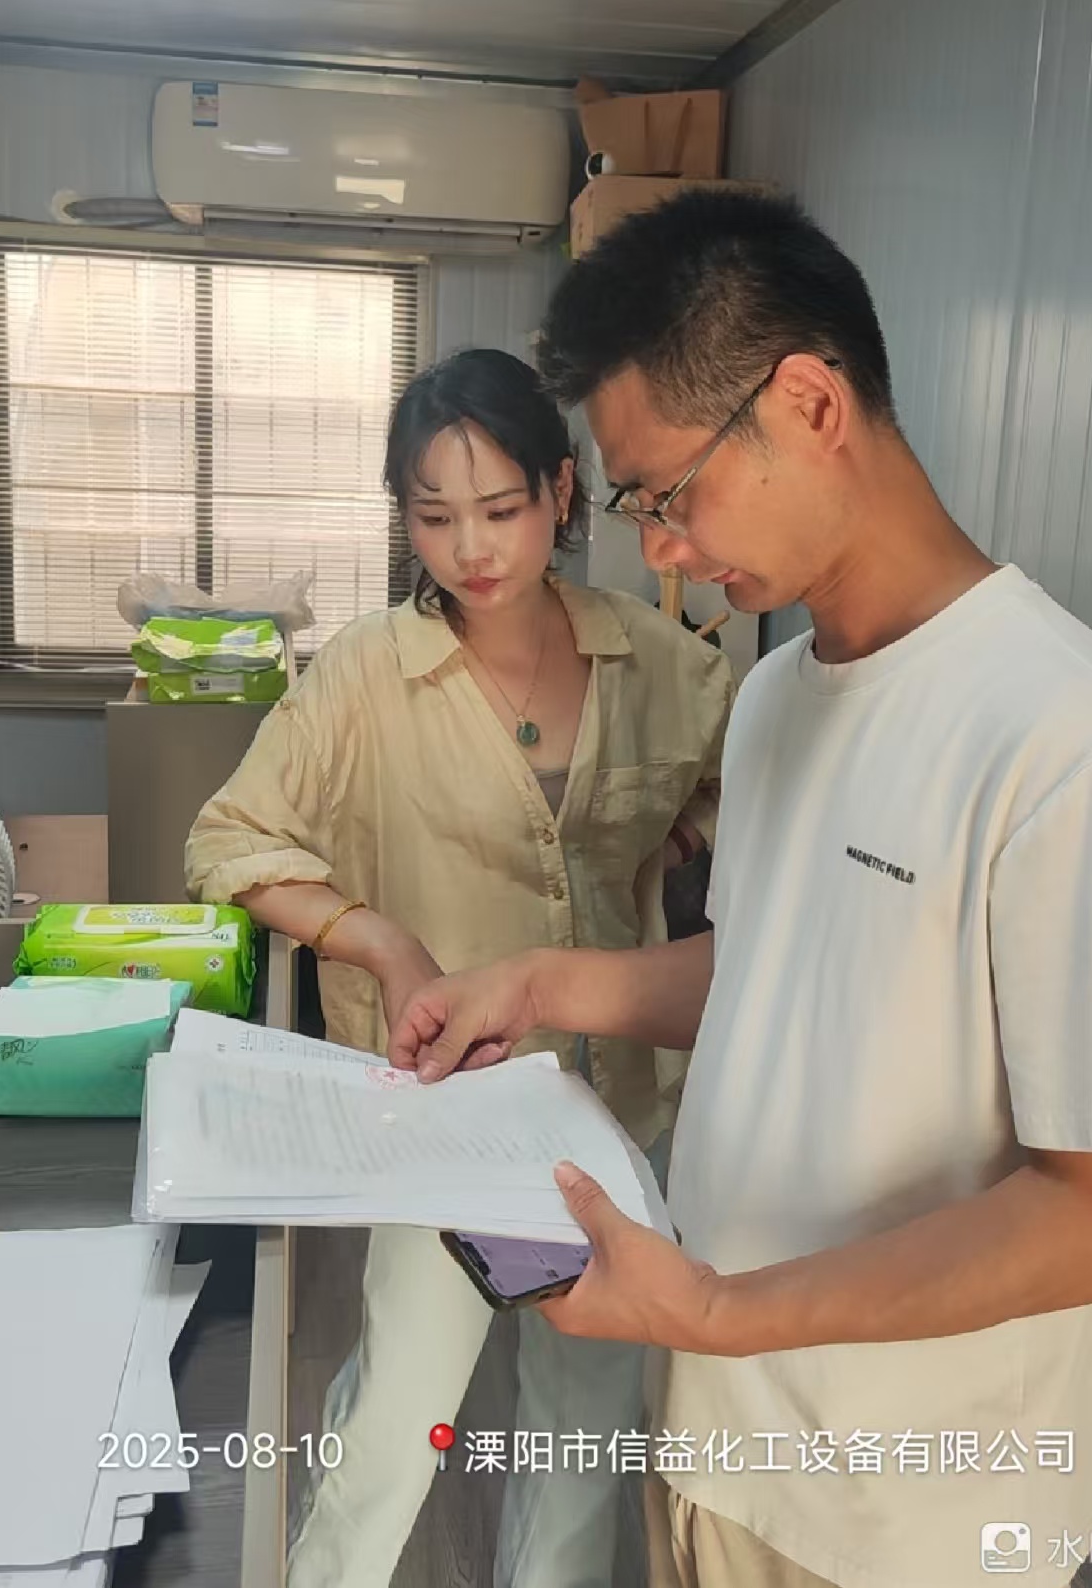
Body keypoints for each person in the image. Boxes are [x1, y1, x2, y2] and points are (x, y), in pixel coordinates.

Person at [389, 193, 1092, 1588]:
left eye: (669, 493)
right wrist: (539, 982)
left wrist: (717, 1306)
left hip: (909, 1520)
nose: (658, 547)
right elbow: (777, 973)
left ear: (811, 405)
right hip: (715, 1447)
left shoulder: (1065, 736)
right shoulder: (772, 698)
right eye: (638, 506)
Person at [185, 346, 734, 1588]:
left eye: (500, 509)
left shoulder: (666, 666)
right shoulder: (364, 675)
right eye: (435, 517)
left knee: (582, 1435)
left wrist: (683, 830)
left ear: (560, 491)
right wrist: (379, 937)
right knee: (397, 1424)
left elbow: (738, 794)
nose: (472, 549)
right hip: (443, 1114)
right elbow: (229, 839)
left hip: (613, 1114)